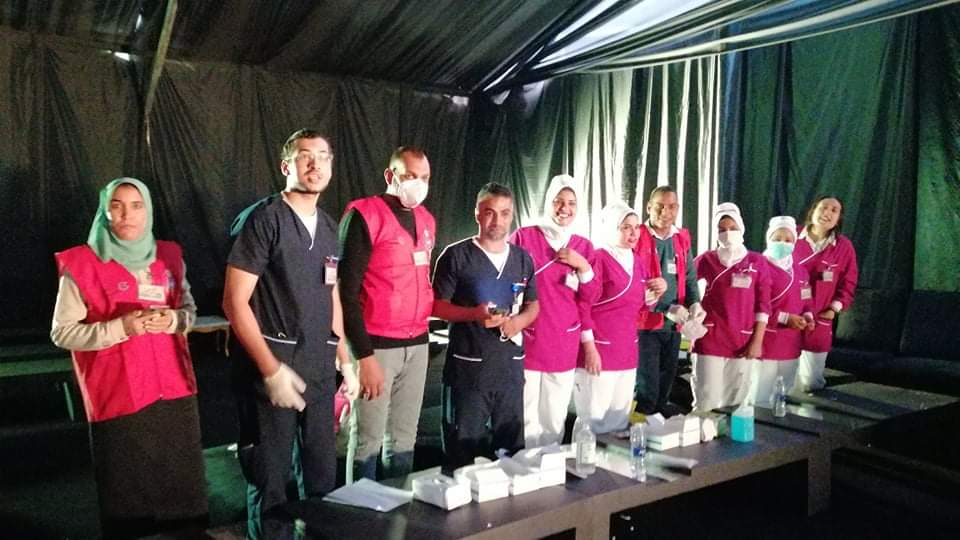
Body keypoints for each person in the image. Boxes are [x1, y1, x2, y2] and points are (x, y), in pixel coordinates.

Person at [51, 178, 207, 539]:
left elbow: (189, 310)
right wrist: (120, 328)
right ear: (105, 211)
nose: (127, 215)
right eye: (117, 205)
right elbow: (62, 332)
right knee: (130, 497)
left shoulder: (169, 256)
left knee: (182, 491)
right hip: (119, 395)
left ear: (148, 211)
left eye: (136, 206)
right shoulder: (81, 264)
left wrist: (174, 320)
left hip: (173, 390)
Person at [223, 129, 357, 537]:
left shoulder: (329, 228)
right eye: (305, 155)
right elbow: (234, 302)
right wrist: (270, 370)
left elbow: (331, 294)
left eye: (323, 155)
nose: (315, 164)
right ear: (287, 166)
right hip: (273, 367)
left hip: (319, 366)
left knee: (321, 477)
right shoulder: (264, 220)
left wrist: (345, 358)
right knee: (271, 480)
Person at [339, 146, 436, 481]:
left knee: (404, 437)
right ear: (390, 175)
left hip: (418, 341)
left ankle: (399, 505)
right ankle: (359, 508)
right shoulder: (365, 215)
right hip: (376, 346)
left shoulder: (426, 220)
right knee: (368, 438)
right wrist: (363, 356)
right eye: (410, 176)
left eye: (424, 177)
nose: (418, 184)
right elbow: (345, 292)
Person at [431, 182, 540, 470]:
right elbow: (436, 307)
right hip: (469, 371)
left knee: (512, 455)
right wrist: (474, 314)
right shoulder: (456, 256)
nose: (497, 221)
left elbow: (533, 305)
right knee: (463, 457)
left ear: (512, 215)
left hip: (509, 370)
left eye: (505, 213)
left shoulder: (522, 259)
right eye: (490, 212)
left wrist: (518, 323)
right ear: (477, 214)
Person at [509, 174, 599, 448]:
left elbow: (591, 297)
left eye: (571, 203)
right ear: (548, 201)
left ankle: (549, 465)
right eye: (559, 201)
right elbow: (508, 281)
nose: (564, 208)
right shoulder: (524, 236)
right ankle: (521, 465)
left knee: (554, 416)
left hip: (563, 341)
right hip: (528, 338)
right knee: (524, 412)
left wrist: (582, 266)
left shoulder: (584, 247)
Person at [574, 201, 665, 434]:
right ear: (611, 228)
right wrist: (589, 348)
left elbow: (639, 304)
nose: (633, 233)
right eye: (625, 227)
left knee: (620, 420)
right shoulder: (598, 258)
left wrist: (657, 292)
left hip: (627, 351)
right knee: (593, 422)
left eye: (636, 227)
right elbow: (583, 305)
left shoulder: (637, 261)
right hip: (599, 351)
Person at [691, 202, 771, 412]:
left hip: (742, 339)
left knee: (735, 402)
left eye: (733, 228)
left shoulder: (757, 262)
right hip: (710, 336)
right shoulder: (707, 259)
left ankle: (728, 434)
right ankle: (701, 432)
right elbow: (686, 282)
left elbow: (764, 305)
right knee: (706, 399)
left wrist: (757, 341)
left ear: (741, 228)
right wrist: (690, 313)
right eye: (722, 229)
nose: (728, 233)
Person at [633, 185, 703, 416]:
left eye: (671, 206)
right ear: (648, 207)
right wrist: (665, 308)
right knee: (647, 390)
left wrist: (695, 303)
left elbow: (690, 277)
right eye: (660, 206)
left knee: (665, 388)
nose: (666, 212)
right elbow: (632, 284)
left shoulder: (680, 238)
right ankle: (638, 432)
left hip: (674, 326)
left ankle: (658, 432)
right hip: (645, 326)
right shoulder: (637, 236)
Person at [793, 196, 858, 392]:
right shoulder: (790, 235)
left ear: (839, 219)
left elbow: (849, 282)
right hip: (789, 317)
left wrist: (834, 309)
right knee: (784, 379)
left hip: (820, 318)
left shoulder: (843, 247)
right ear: (813, 210)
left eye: (834, 210)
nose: (827, 213)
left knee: (811, 383)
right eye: (823, 207)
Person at [750, 216, 813, 406]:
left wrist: (808, 315)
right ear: (768, 239)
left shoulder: (800, 271)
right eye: (777, 239)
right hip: (767, 340)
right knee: (760, 395)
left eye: (788, 240)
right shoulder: (757, 267)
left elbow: (806, 298)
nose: (782, 243)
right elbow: (752, 305)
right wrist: (785, 318)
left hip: (791, 342)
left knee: (785, 394)